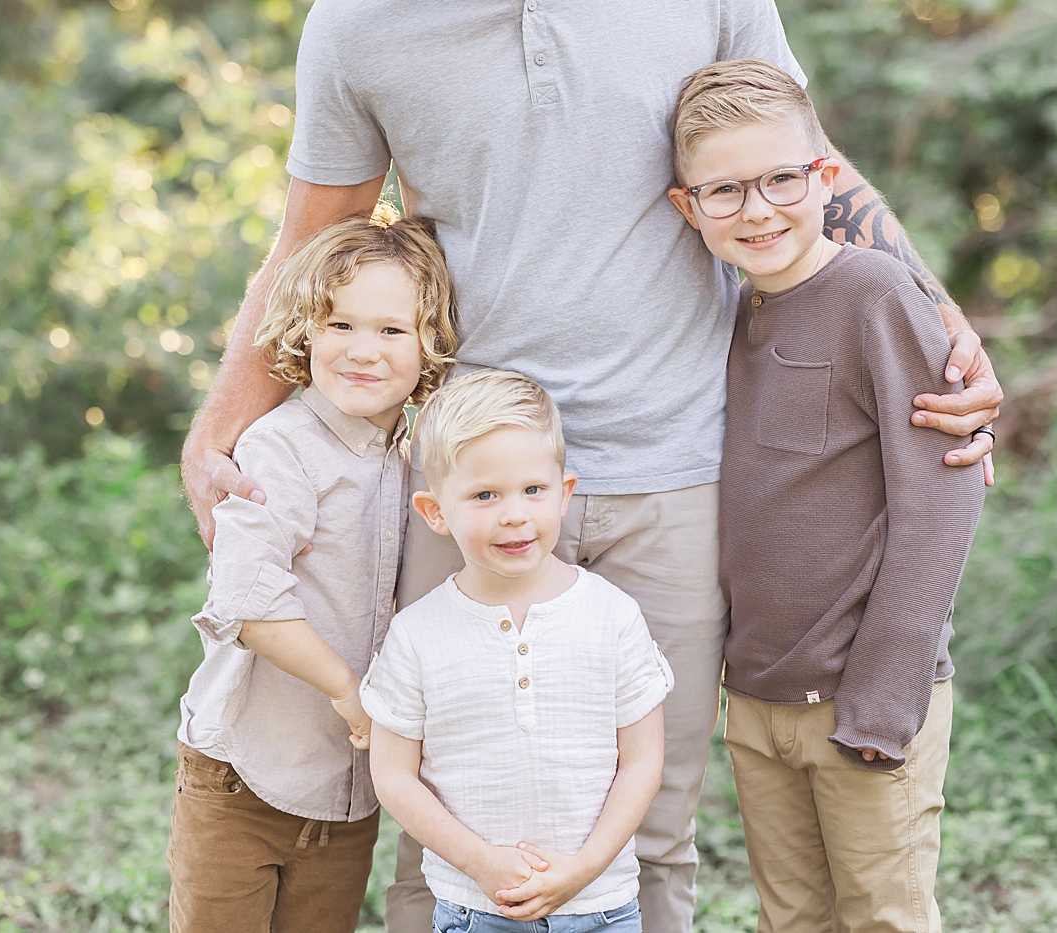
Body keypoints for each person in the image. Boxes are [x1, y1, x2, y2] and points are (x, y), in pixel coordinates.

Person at [180, 5, 1004, 931]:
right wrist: (220, 422)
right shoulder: (359, 23)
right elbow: (313, 235)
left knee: (653, 823)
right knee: (444, 814)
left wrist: (939, 316)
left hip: (680, 467)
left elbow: (792, 151)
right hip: (472, 476)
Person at [666, 60, 986, 932]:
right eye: (725, 191)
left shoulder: (879, 296)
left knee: (882, 916)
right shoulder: (728, 315)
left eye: (780, 179)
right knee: (792, 918)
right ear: (687, 206)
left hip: (865, 696)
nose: (759, 209)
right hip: (761, 695)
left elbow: (943, 499)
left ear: (824, 177)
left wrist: (886, 695)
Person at [166, 206, 458, 933]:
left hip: (346, 792)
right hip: (242, 778)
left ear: (430, 344)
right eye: (340, 325)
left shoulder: (416, 457)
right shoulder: (281, 448)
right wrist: (349, 690)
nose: (364, 350)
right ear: (305, 331)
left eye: (392, 330)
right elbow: (250, 598)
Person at [362, 369, 673, 933]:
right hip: (476, 909)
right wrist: (482, 863)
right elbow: (393, 777)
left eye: (533, 490)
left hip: (602, 907)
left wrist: (583, 868)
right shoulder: (417, 634)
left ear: (565, 493)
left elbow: (643, 761)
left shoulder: (613, 615)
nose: (514, 514)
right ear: (435, 512)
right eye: (485, 495)